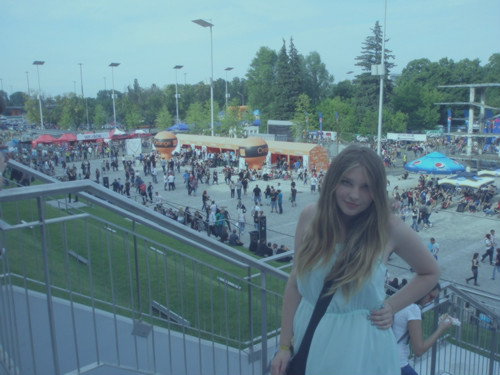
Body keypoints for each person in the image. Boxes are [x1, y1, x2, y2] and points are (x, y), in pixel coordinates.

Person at [270, 145, 440, 375]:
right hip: (308, 338)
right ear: (333, 181)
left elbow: (430, 272)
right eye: (346, 182)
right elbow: (294, 284)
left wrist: (392, 306)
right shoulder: (311, 217)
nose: (354, 195)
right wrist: (283, 346)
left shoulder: (389, 228)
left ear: (377, 191)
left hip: (361, 351)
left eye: (366, 187)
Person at [392, 284, 453, 375]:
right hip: (398, 362)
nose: (430, 301)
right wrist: (441, 329)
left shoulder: (400, 299)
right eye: (431, 297)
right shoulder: (413, 309)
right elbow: (418, 350)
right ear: (423, 291)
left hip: (387, 355)